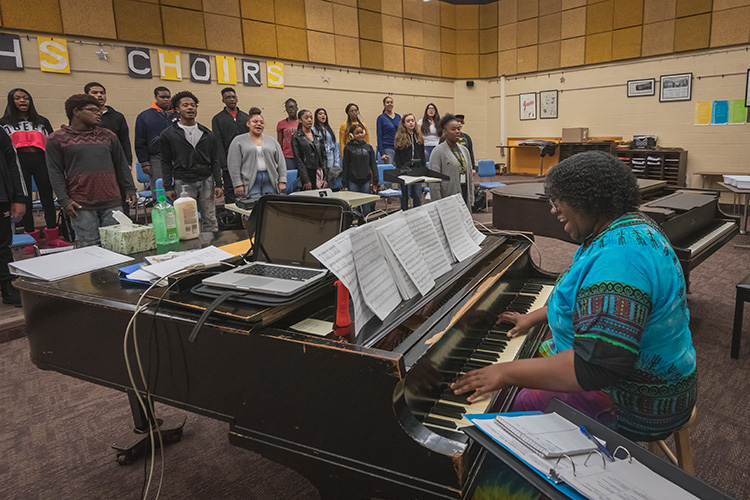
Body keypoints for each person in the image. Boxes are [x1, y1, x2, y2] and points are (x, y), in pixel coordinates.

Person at [452, 151, 698, 442]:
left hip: (634, 403)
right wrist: (533, 316)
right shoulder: (627, 227)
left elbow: (595, 367)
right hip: (637, 374)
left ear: (586, 201)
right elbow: (586, 300)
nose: (553, 210)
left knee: (507, 421)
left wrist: (504, 373)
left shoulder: (620, 259)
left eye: (558, 201)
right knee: (525, 357)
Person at [46, 94, 136, 247]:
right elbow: (55, 172)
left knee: (115, 246)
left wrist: (129, 188)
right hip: (81, 205)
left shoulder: (108, 136)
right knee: (89, 248)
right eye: (93, 110)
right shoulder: (57, 139)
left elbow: (121, 165)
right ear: (76, 112)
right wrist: (65, 200)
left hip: (112, 202)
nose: (99, 113)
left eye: (99, 110)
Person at [0, 88, 61, 245]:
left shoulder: (42, 121)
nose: (22, 101)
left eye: (26, 98)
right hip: (19, 162)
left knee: (47, 198)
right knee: (24, 200)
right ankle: (30, 239)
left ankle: (53, 237)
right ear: (11, 101)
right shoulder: (3, 123)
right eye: (18, 98)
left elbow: (52, 143)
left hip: (41, 161)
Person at [159, 91, 223, 233]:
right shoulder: (169, 134)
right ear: (177, 109)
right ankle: (190, 251)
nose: (190, 108)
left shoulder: (207, 133)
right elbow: (166, 162)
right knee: (186, 221)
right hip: (183, 182)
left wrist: (218, 183)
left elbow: (215, 160)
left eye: (193, 105)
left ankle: (212, 249)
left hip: (206, 180)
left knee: (210, 219)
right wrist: (168, 186)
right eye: (185, 105)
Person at [227, 107, 286, 201]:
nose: (259, 124)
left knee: (269, 205)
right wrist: (237, 183)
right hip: (250, 180)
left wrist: (282, 180)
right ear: (248, 124)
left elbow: (281, 162)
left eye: (261, 122)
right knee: (253, 207)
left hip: (270, 179)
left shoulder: (272, 141)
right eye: (255, 121)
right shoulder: (238, 141)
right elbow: (233, 164)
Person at [0, 127, 27, 306]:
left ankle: (8, 287)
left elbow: (13, 164)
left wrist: (18, 197)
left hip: (1, 197)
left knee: (2, 245)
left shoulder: (0, 132)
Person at [134, 87, 179, 188]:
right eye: (162, 97)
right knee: (160, 188)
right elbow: (140, 141)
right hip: (157, 158)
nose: (166, 99)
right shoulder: (145, 116)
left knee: (180, 187)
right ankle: (160, 204)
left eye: (168, 97)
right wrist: (144, 162)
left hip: (178, 157)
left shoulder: (178, 115)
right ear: (155, 97)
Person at [211, 87, 249, 205]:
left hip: (246, 161)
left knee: (247, 189)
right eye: (228, 97)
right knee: (230, 190)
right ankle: (232, 217)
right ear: (223, 100)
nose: (231, 99)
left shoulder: (246, 117)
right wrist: (224, 163)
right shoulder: (217, 119)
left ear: (237, 99)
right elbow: (218, 142)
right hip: (228, 161)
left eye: (233, 97)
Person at [428, 113, 473, 210]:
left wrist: (471, 198)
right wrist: (438, 204)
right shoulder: (438, 152)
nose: (457, 132)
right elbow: (434, 182)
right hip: (448, 198)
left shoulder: (464, 150)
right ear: (444, 132)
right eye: (453, 129)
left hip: (464, 193)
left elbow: (470, 176)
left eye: (458, 129)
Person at [84, 82, 132, 167]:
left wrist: (128, 162)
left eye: (102, 93)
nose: (99, 95)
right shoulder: (81, 116)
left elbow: (124, 141)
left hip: (113, 160)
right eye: (95, 93)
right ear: (86, 96)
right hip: (89, 160)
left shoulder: (117, 116)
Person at [342, 124, 378, 217]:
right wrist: (344, 184)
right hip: (353, 181)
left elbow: (373, 165)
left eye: (361, 132)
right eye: (357, 133)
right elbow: (345, 166)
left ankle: (366, 224)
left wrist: (375, 182)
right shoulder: (348, 148)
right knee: (354, 207)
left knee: (367, 206)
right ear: (352, 135)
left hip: (366, 180)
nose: (360, 135)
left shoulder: (369, 148)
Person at [393, 113, 425, 210]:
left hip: (417, 170)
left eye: (412, 120)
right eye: (408, 121)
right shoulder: (400, 137)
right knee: (406, 195)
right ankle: (405, 213)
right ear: (404, 123)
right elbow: (397, 156)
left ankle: (417, 214)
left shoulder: (418, 136)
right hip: (405, 170)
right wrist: (400, 169)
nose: (411, 123)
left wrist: (423, 169)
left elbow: (422, 155)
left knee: (417, 194)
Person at [291, 109, 328, 191]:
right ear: (300, 120)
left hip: (319, 172)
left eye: (311, 118)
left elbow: (324, 157)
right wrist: (306, 179)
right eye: (306, 118)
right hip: (306, 172)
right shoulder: (296, 137)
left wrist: (325, 177)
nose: (309, 120)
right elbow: (298, 159)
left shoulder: (318, 137)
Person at [313, 108, 341, 187]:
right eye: (320, 114)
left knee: (329, 178)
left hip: (330, 156)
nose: (323, 115)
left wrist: (336, 163)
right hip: (320, 158)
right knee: (321, 178)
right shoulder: (313, 130)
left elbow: (335, 147)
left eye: (324, 114)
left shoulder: (330, 130)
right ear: (316, 116)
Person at [276, 98, 299, 173]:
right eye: (288, 108)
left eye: (292, 107)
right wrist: (280, 156)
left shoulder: (302, 123)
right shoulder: (281, 124)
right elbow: (279, 142)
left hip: (300, 155)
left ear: (296, 108)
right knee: (290, 176)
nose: (291, 110)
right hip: (288, 156)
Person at [376, 96, 400, 164]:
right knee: (389, 169)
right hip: (387, 147)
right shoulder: (381, 118)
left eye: (391, 102)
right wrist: (382, 152)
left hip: (398, 147)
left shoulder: (398, 117)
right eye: (387, 102)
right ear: (384, 104)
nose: (390, 104)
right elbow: (379, 135)